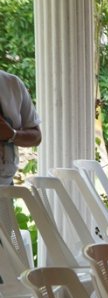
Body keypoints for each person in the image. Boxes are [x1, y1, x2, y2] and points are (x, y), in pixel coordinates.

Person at [0, 70, 42, 224]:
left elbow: (36, 136)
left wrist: (12, 134)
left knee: (12, 238)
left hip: (5, 189)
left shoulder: (13, 84)